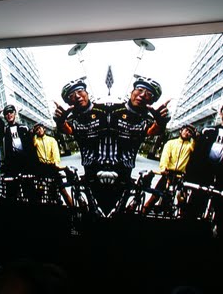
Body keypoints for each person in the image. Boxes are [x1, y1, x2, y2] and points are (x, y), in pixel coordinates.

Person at [53, 76, 170, 214]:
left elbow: (152, 131)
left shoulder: (144, 118)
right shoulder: (86, 115)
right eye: (139, 89)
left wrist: (161, 122)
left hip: (124, 174)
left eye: (148, 93)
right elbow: (68, 130)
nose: (143, 95)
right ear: (132, 91)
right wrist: (60, 122)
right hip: (91, 172)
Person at [184, 101, 223, 236]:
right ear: (221, 113)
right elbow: (197, 155)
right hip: (204, 174)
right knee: (193, 208)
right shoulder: (208, 130)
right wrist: (189, 175)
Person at [142, 123, 196, 214]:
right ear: (181, 130)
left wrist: (194, 137)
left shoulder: (190, 146)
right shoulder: (171, 143)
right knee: (155, 196)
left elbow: (194, 147)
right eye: (186, 130)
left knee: (181, 200)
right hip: (168, 173)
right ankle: (144, 211)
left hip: (180, 176)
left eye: (190, 132)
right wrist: (163, 168)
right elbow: (165, 156)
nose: (187, 133)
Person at [0, 103, 37, 200]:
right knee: (11, 193)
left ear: (15, 113)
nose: (9, 115)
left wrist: (34, 165)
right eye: (6, 113)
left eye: (11, 112)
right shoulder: (4, 129)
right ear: (5, 116)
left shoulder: (23, 128)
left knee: (30, 191)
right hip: (11, 164)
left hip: (25, 163)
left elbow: (31, 148)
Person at [32, 123, 73, 206]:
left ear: (44, 129)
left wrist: (56, 163)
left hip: (52, 167)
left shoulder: (51, 140)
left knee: (62, 190)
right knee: (40, 192)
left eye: (40, 128)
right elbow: (33, 143)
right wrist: (33, 134)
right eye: (36, 129)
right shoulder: (36, 141)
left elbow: (56, 153)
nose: (38, 130)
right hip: (42, 168)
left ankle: (73, 209)